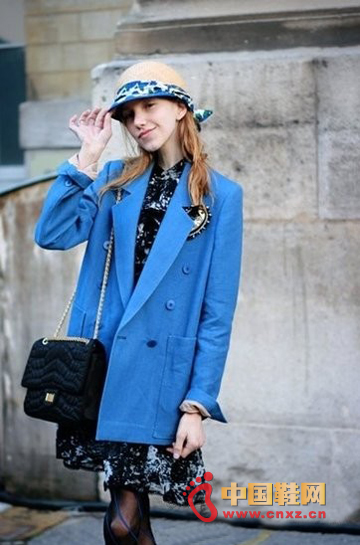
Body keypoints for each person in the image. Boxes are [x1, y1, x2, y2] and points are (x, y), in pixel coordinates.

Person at [33, 61, 244, 544]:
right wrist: (86, 157)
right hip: (104, 369)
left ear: (180, 109)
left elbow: (217, 310)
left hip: (162, 380)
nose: (138, 120)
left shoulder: (220, 196)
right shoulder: (113, 179)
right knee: (127, 520)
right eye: (128, 113)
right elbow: (53, 233)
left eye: (150, 106)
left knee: (126, 522)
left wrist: (198, 405)